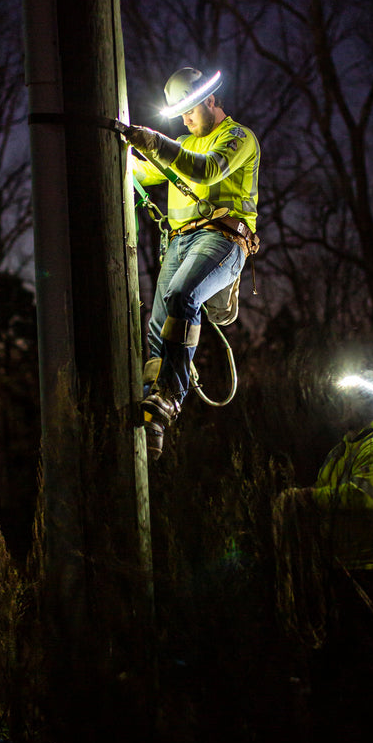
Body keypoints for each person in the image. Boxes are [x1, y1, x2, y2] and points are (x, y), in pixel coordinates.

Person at [272, 369, 373, 743]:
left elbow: (364, 499)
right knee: (341, 667)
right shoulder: (343, 450)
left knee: (369, 669)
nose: (343, 406)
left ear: (369, 406)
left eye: (351, 400)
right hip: (346, 571)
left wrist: (308, 501)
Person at [121, 68, 260, 459]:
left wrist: (156, 143)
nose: (184, 120)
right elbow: (136, 171)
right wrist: (121, 146)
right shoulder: (181, 143)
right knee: (156, 329)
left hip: (224, 238)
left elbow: (209, 169)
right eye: (179, 115)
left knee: (183, 295)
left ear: (210, 101)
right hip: (180, 241)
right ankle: (153, 416)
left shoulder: (238, 138)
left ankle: (171, 395)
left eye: (189, 111)